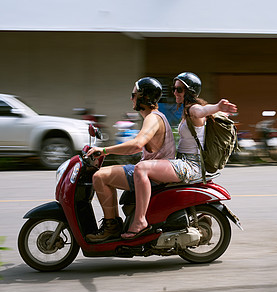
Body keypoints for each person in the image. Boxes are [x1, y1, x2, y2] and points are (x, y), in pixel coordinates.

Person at [121, 72, 237, 239]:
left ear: (189, 92)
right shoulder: (185, 111)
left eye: (179, 89)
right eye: (173, 89)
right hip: (184, 162)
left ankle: (140, 221)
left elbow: (201, 111)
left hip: (190, 165)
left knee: (141, 169)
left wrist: (218, 107)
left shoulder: (192, 109)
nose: (175, 93)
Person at [85, 77, 176, 242]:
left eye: (133, 94)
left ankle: (111, 227)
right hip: (153, 170)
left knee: (99, 177)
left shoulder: (153, 118)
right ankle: (114, 223)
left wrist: (104, 151)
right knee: (103, 173)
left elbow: (136, 145)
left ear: (144, 97)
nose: (131, 98)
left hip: (154, 176)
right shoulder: (153, 117)